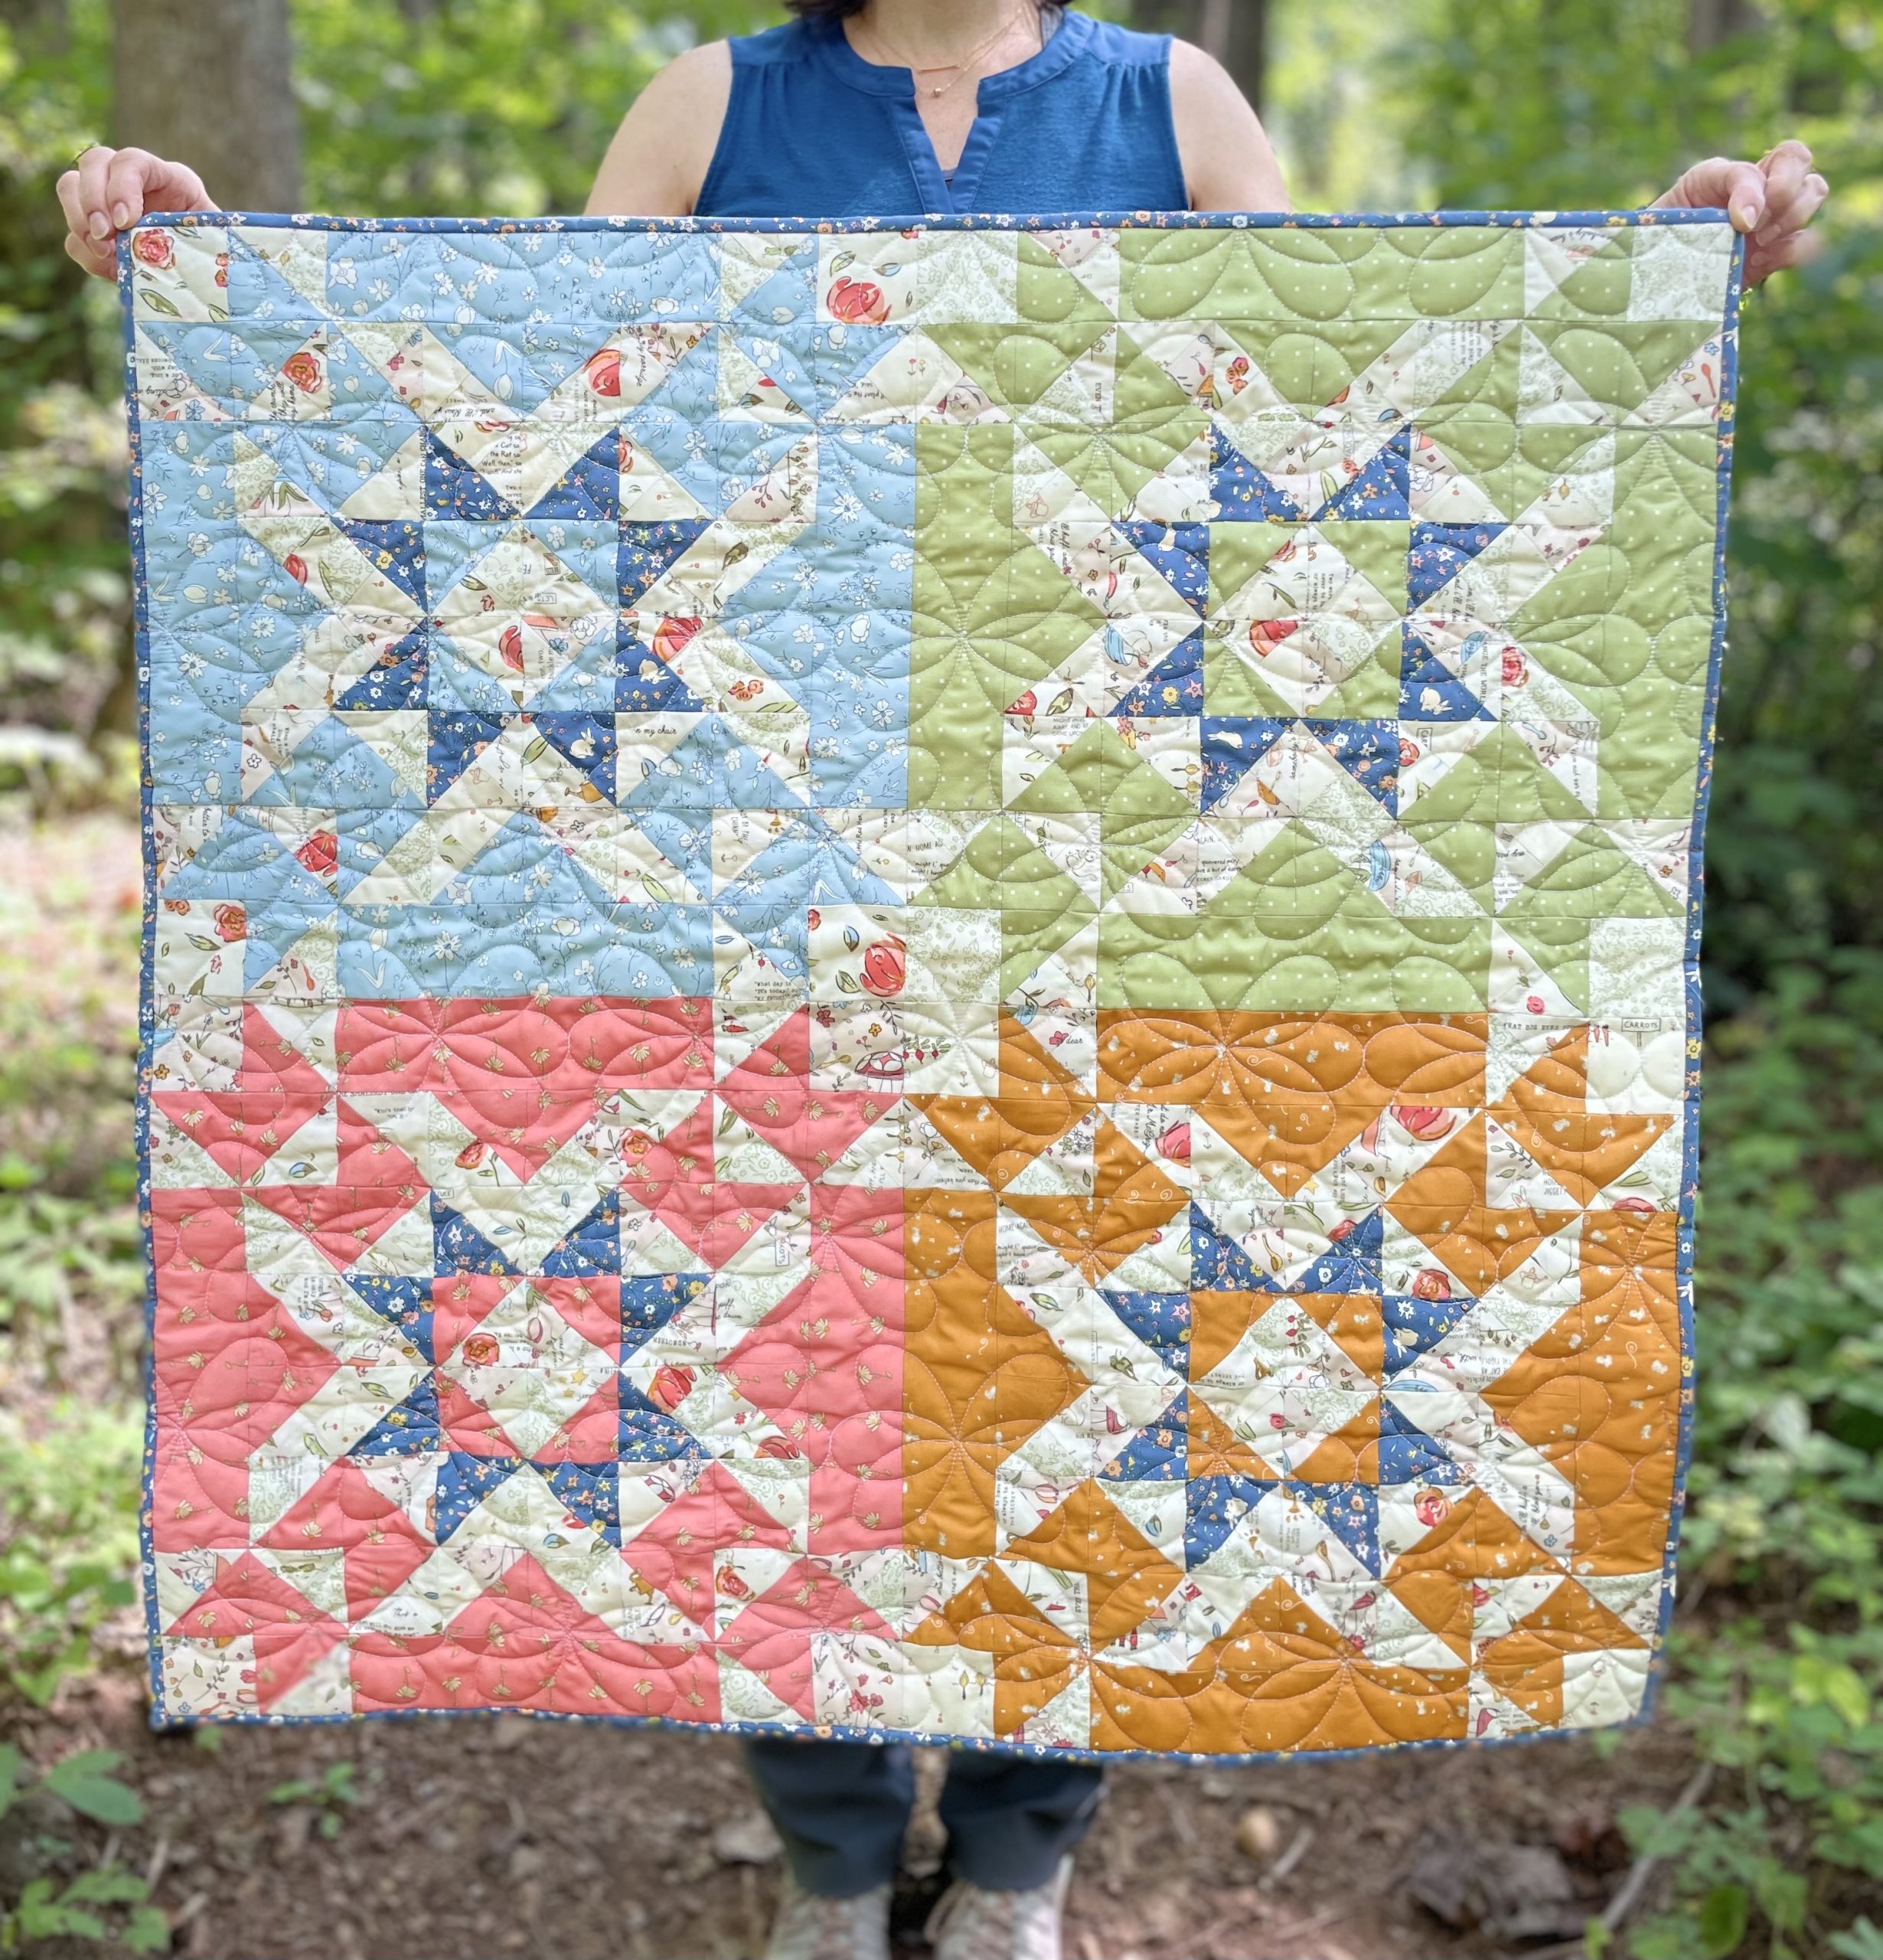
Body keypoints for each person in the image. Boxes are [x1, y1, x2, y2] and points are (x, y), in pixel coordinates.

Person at [57, 5, 1828, 1956]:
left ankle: (1016, 1858)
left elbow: (1352, 389)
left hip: (1119, 891)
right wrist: (217, 277)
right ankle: (828, 1856)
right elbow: (521, 404)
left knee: (1088, 1380)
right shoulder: (713, 99)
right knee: (755, 1365)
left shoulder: (1175, 102)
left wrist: (1635, 291)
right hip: (736, 894)